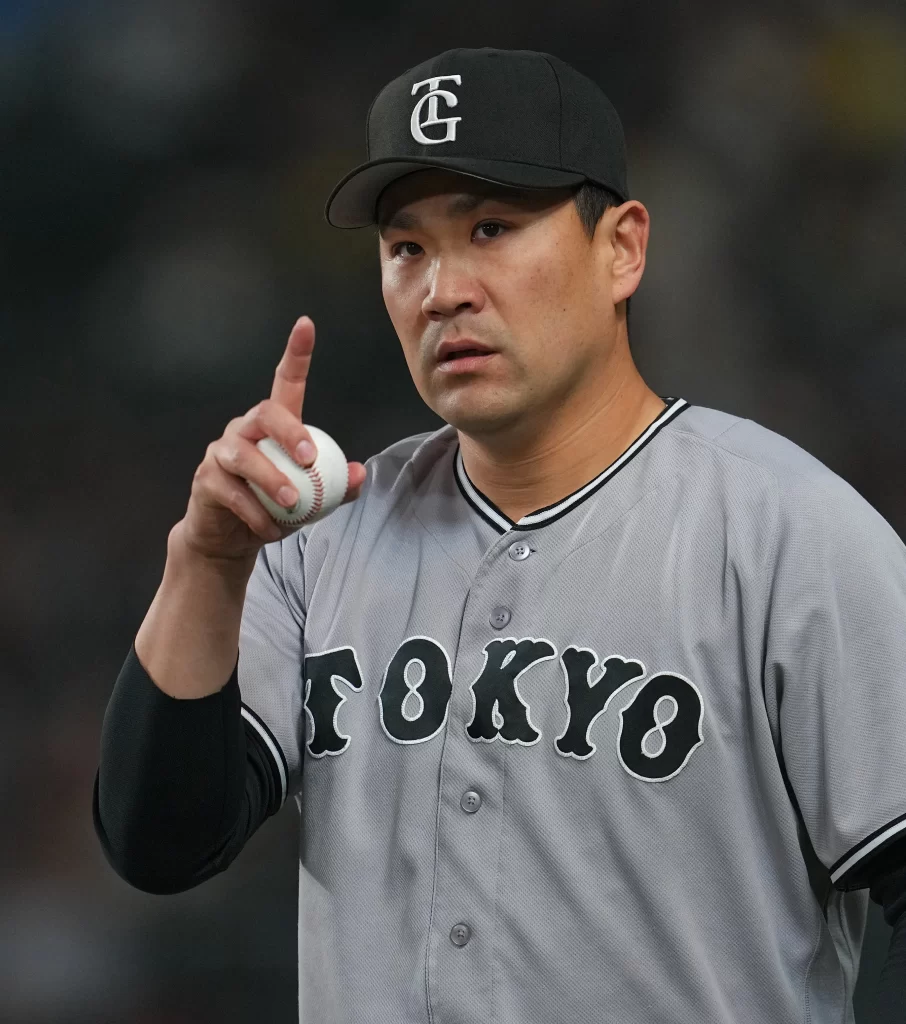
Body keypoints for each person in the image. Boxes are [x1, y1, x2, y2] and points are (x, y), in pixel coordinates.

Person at [93, 47, 906, 1023]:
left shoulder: (789, 534)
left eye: (491, 228)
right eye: (407, 248)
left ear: (622, 250)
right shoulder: (319, 543)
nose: (443, 290)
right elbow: (159, 844)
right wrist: (208, 559)